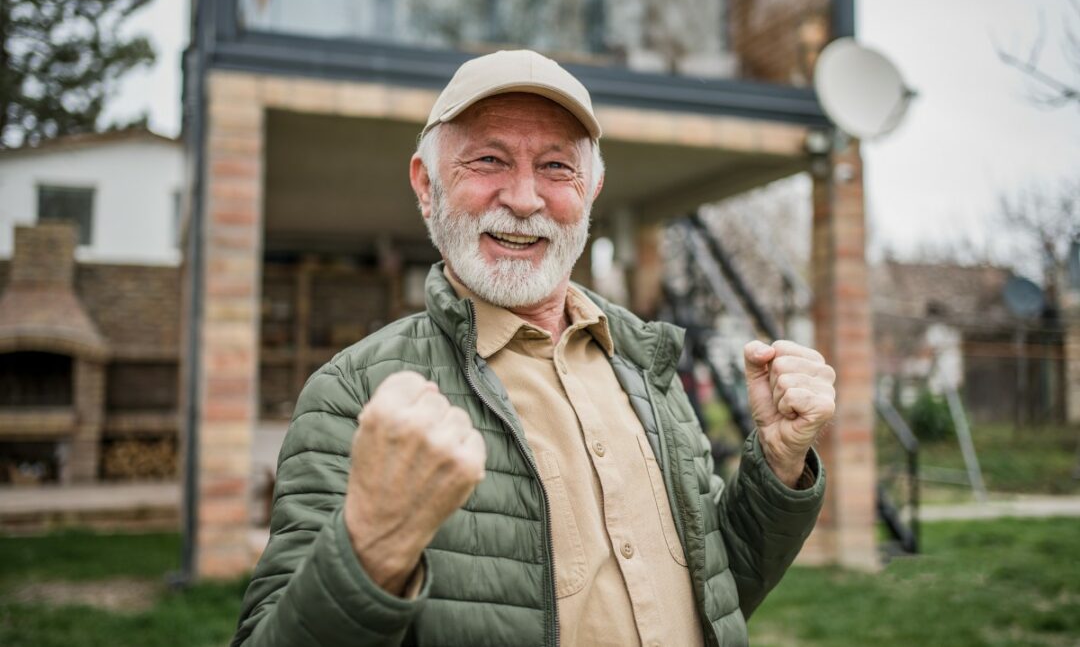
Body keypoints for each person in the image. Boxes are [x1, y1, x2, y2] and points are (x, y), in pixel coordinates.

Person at [232, 49, 835, 647]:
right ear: (426, 184)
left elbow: (716, 589)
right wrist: (372, 547)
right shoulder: (352, 393)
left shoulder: (645, 363)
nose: (524, 199)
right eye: (489, 160)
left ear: (592, 187)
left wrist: (778, 463)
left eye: (555, 167)